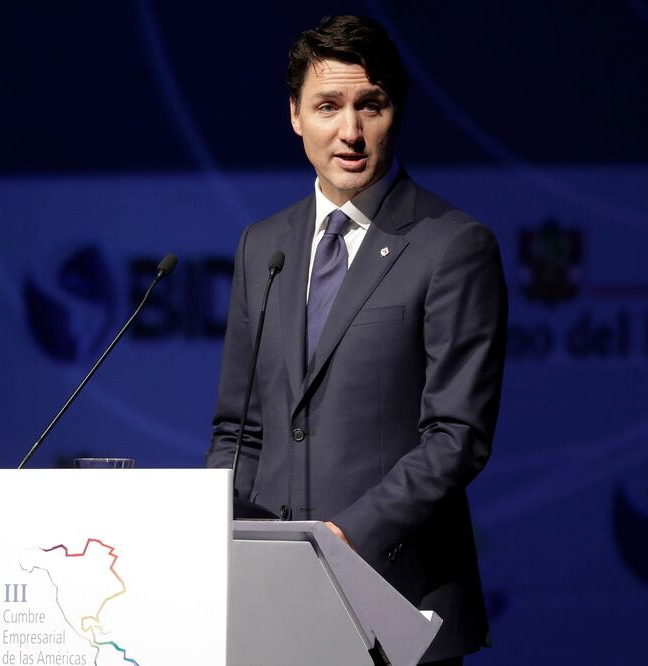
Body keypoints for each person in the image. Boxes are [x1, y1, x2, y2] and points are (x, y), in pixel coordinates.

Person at [205, 15, 507, 665]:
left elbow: (456, 438)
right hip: (273, 606)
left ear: (395, 111)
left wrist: (344, 537)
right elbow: (239, 430)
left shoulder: (453, 246)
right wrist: (216, 543)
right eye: (327, 106)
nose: (349, 131)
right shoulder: (263, 246)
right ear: (294, 115)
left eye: (370, 105)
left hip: (397, 606)